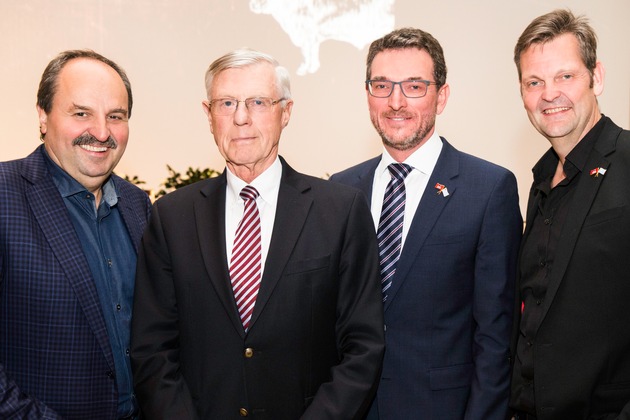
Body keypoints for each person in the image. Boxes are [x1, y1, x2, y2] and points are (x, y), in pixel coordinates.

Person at [130, 48, 385, 419]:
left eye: (258, 102)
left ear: (286, 112)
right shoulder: (171, 217)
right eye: (227, 103)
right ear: (208, 115)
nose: (241, 118)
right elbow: (152, 350)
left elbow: (363, 346)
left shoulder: (340, 211)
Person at [330, 27, 523, 419]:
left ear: (442, 96)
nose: (395, 102)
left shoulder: (488, 189)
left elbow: (495, 336)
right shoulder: (340, 189)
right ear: (367, 94)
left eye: (415, 86)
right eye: (382, 85)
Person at [0, 50, 151, 419]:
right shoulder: (4, 195)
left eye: (115, 116)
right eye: (81, 113)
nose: (101, 132)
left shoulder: (139, 206)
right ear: (42, 115)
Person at [509, 9, 630, 419]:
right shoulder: (540, 182)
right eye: (534, 82)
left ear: (596, 77)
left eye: (565, 76)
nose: (549, 94)